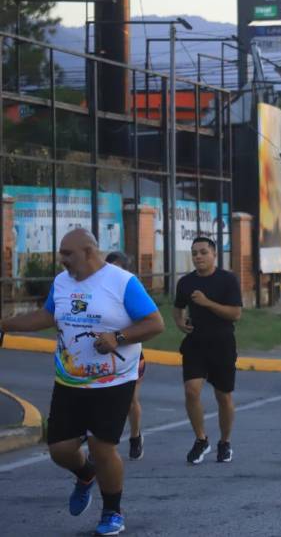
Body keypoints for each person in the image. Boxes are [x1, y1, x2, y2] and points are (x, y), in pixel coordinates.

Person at [0, 229, 165, 536]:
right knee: (60, 449)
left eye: (67, 254)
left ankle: (113, 511)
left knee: (103, 449)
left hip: (113, 381)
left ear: (88, 252)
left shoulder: (122, 282)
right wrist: (4, 325)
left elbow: (155, 323)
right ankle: (85, 474)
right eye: (61, 253)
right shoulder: (62, 283)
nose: (62, 260)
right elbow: (47, 316)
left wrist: (118, 337)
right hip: (70, 379)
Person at [173, 237, 243, 465]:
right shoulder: (185, 282)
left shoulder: (227, 280)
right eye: (194, 253)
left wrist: (207, 303)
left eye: (203, 252)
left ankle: (225, 442)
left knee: (223, 396)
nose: (198, 257)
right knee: (191, 391)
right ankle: (201, 439)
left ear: (214, 254)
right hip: (195, 344)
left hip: (222, 343)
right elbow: (177, 308)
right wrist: (180, 323)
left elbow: (235, 314)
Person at [105, 251, 146, 461]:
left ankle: (135, 435)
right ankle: (100, 439)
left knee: (130, 399)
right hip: (103, 355)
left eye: (117, 269)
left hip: (130, 354)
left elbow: (149, 323)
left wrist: (120, 336)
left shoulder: (132, 291)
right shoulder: (98, 290)